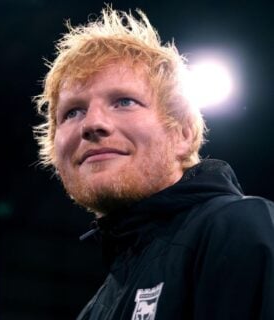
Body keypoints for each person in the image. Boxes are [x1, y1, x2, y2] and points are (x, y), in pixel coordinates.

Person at [34, 7, 274, 320]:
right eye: (72, 112)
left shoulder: (239, 229)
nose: (91, 124)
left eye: (124, 102)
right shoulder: (96, 308)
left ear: (183, 134)